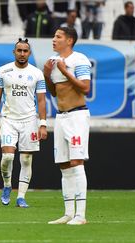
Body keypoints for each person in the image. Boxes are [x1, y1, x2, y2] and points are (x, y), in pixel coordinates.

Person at [0, 38, 47, 208]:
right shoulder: (3, 71)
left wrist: (42, 124)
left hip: (29, 120)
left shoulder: (37, 73)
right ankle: (7, 185)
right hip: (8, 119)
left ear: (29, 53)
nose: (22, 54)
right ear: (14, 52)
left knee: (27, 159)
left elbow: (42, 100)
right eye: (19, 50)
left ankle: (21, 196)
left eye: (25, 51)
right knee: (7, 157)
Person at [43, 27, 91, 225]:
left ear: (69, 40)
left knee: (76, 162)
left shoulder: (79, 60)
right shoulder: (53, 62)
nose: (54, 39)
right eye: (54, 36)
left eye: (58, 36)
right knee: (63, 164)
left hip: (77, 116)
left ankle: (81, 215)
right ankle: (68, 213)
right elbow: (54, 93)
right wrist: (47, 75)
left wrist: (65, 71)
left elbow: (86, 88)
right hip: (61, 117)